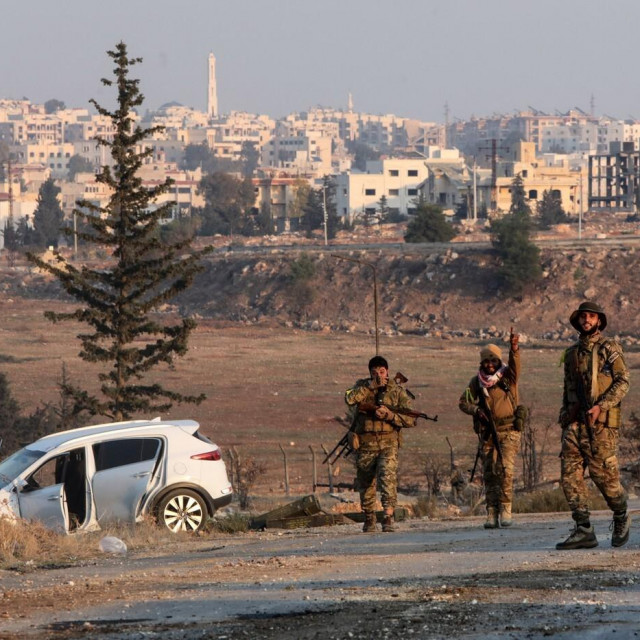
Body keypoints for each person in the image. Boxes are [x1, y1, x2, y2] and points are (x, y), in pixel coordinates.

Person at [556, 301, 631, 550]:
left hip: (600, 424)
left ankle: (621, 515)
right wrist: (565, 416)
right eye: (583, 316)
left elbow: (623, 381)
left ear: (599, 321)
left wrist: (602, 405)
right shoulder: (571, 353)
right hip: (575, 424)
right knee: (570, 477)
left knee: (605, 478)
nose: (586, 320)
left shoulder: (609, 348)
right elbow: (567, 389)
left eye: (591, 316)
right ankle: (584, 529)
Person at [345, 356, 415, 533]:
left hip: (388, 442)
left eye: (382, 372)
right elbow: (350, 399)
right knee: (366, 482)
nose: (378, 376)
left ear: (388, 371)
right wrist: (370, 387)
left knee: (387, 477)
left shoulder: (396, 390)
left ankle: (388, 516)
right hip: (366, 443)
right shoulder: (362, 387)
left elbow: (410, 419)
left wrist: (391, 416)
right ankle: (369, 518)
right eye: (374, 373)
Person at [459, 329, 521, 529]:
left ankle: (506, 509)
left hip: (509, 431)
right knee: (489, 473)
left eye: (493, 360)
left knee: (506, 470)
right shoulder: (476, 382)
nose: (490, 364)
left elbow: (515, 365)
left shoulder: (508, 377)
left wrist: (514, 349)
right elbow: (463, 402)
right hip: (487, 434)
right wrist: (476, 410)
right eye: (486, 361)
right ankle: (491, 512)